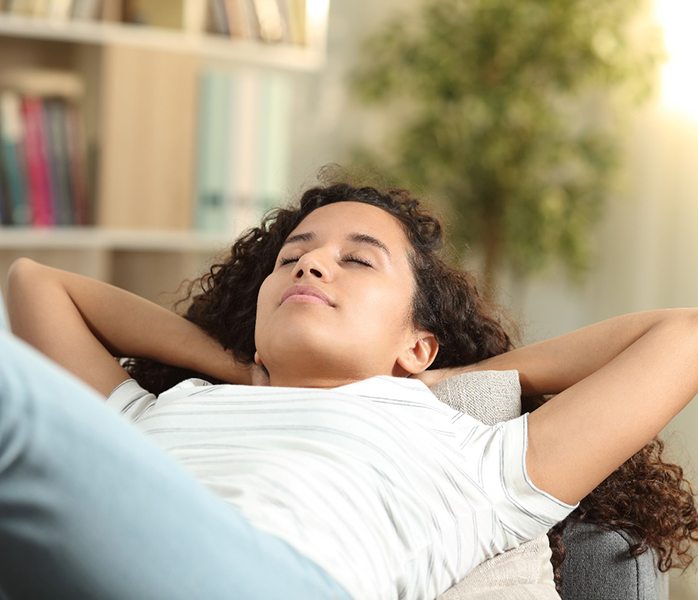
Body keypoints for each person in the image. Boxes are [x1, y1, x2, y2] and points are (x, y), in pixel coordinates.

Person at [1, 180, 697, 599]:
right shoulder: (173, 408)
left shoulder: (469, 456)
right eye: (293, 259)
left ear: (418, 342)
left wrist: (453, 377)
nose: (311, 269)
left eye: (356, 259)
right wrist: (239, 369)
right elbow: (34, 282)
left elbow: (684, 335)